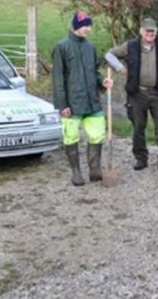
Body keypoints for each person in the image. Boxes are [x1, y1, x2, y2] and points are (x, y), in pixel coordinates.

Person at [105, 18, 158, 172]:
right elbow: (109, 55)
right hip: (137, 93)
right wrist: (119, 67)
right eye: (147, 30)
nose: (150, 33)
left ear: (156, 32)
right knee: (138, 127)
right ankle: (141, 158)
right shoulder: (131, 46)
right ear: (141, 31)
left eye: (152, 31)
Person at [52, 10, 113, 186]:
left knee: (98, 135)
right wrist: (62, 104)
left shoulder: (90, 47)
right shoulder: (61, 47)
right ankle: (76, 173)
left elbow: (94, 72)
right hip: (71, 103)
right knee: (71, 137)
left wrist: (103, 81)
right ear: (76, 26)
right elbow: (58, 79)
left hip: (92, 101)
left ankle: (94, 170)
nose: (88, 29)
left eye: (89, 25)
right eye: (85, 25)